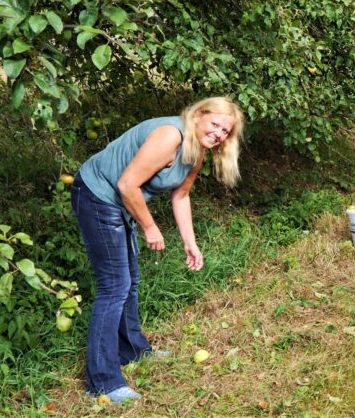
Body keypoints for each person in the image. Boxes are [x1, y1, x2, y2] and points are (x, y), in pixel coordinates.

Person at [70, 97, 244, 402]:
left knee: (130, 281)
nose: (218, 133)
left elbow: (181, 197)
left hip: (120, 203)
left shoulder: (196, 152)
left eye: (225, 131)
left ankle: (132, 350)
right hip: (98, 196)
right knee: (115, 287)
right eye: (215, 124)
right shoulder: (170, 135)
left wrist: (190, 244)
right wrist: (150, 227)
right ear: (198, 115)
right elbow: (127, 185)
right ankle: (103, 382)